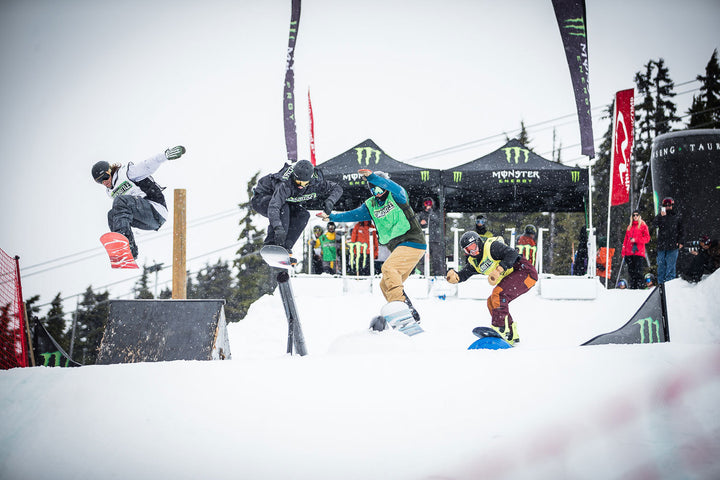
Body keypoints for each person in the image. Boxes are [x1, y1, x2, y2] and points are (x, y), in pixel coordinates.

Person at [320, 169, 425, 318]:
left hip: (413, 241)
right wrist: (331, 217)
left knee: (388, 267)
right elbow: (352, 214)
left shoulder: (397, 195)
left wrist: (374, 178)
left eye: (380, 188)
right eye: (373, 189)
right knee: (384, 284)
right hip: (399, 248)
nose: (378, 192)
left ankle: (401, 309)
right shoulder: (371, 205)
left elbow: (392, 186)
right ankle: (409, 312)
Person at [91, 146, 186, 259]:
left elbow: (147, 165)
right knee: (112, 215)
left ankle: (124, 243)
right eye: (99, 181)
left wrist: (165, 156)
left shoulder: (127, 173)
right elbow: (122, 214)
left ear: (110, 171)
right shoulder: (110, 192)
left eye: (105, 177)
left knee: (120, 201)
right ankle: (129, 251)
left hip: (155, 210)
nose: (104, 182)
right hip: (146, 220)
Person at [446, 231, 538, 345]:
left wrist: (499, 269)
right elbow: (465, 273)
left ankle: (501, 328)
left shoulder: (491, 247)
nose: (472, 252)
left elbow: (512, 254)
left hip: (525, 272)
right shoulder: (474, 261)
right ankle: (512, 333)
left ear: (479, 242)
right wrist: (456, 277)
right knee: (491, 301)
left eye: (473, 247)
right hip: (515, 275)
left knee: (498, 294)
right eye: (468, 250)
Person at [251, 160, 343, 259]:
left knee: (303, 215)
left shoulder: (317, 183)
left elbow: (337, 188)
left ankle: (286, 247)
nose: (300, 185)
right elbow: (274, 206)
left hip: (285, 202)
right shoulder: (285, 184)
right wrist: (278, 228)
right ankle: (271, 243)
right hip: (262, 198)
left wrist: (330, 201)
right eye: (298, 181)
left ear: (310, 179)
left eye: (304, 183)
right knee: (283, 209)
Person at [652, 197, 684, 284]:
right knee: (661, 267)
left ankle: (670, 285)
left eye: (669, 205)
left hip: (673, 244)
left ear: (672, 205)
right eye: (665, 205)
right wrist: (660, 216)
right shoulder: (661, 216)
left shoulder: (677, 216)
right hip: (662, 245)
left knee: (671, 267)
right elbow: (654, 224)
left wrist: (680, 241)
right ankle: (661, 285)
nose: (667, 207)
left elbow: (681, 230)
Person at [621, 210, 651, 289]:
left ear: (639, 216)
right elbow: (625, 240)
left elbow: (647, 238)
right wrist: (623, 252)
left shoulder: (643, 225)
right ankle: (633, 288)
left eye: (637, 215)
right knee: (631, 272)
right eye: (633, 215)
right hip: (629, 253)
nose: (635, 217)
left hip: (639, 252)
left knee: (638, 272)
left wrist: (636, 239)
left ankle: (639, 288)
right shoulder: (629, 226)